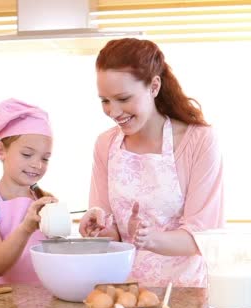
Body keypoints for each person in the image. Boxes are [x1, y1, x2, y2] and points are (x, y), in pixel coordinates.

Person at [79, 38, 224, 287]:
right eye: (105, 101)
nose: (113, 112)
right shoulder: (105, 145)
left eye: (123, 99)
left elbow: (204, 237)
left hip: (183, 295)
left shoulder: (198, 140)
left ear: (154, 86)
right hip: (122, 292)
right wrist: (98, 229)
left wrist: (149, 239)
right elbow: (110, 232)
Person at [0, 98, 56, 284]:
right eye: (27, 154)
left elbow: (56, 254)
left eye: (45, 158)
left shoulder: (44, 199)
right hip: (2, 301)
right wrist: (26, 227)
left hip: (44, 299)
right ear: (1, 151)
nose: (37, 165)